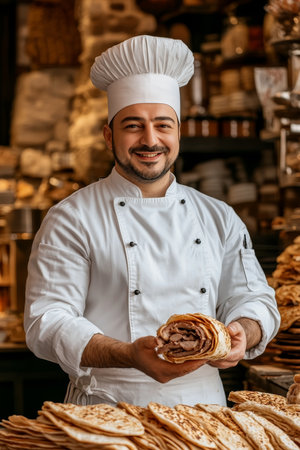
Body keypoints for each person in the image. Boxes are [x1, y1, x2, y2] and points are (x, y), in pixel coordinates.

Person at [24, 35, 280, 408]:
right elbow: (46, 321)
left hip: (206, 411)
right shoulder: (71, 218)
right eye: (133, 125)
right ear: (109, 136)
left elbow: (253, 297)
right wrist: (129, 354)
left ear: (178, 133)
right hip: (108, 409)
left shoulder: (218, 215)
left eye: (163, 125)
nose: (150, 139)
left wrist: (245, 331)